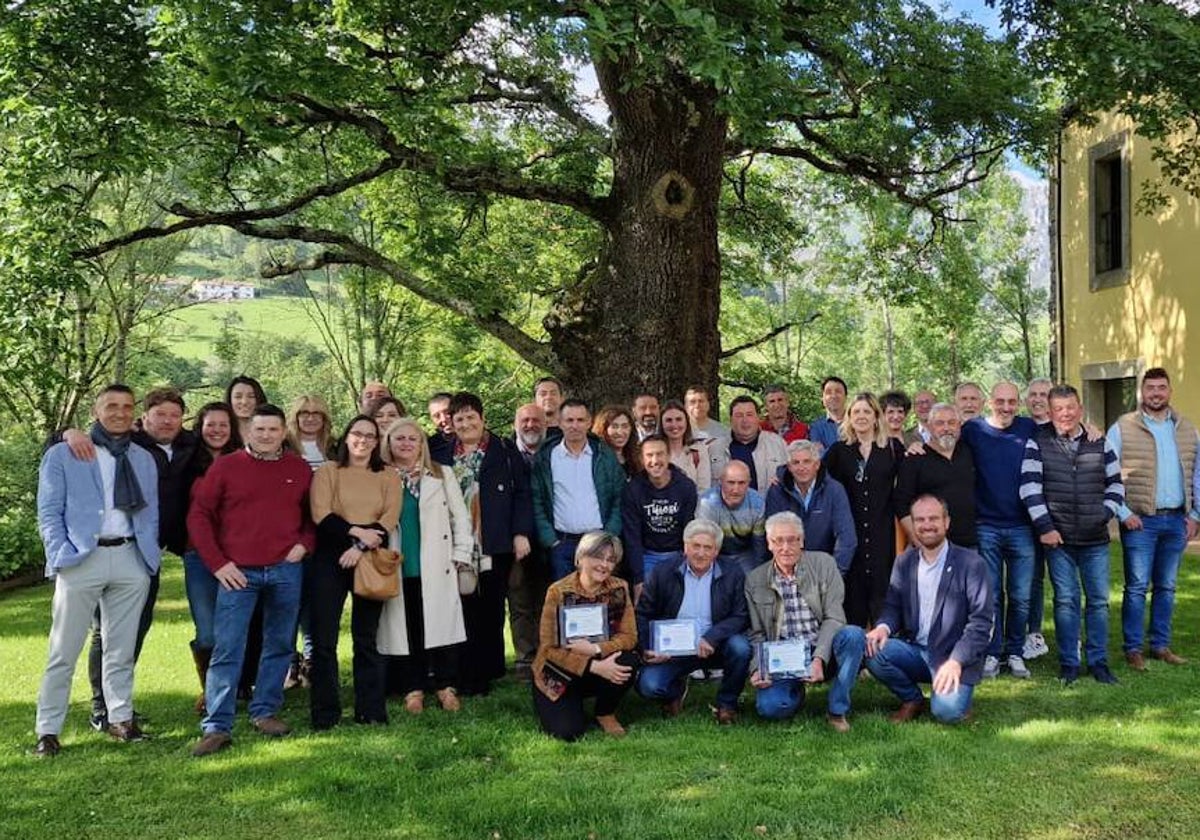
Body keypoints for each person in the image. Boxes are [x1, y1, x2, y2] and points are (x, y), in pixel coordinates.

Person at [34, 384, 161, 757]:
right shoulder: (65, 453)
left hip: (129, 559)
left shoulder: (142, 458)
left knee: (120, 649)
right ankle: (48, 730)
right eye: (111, 406)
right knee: (63, 650)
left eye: (126, 406)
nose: (119, 413)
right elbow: (48, 511)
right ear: (95, 410)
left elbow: (150, 511)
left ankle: (120, 719)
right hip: (80, 558)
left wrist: (146, 558)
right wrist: (60, 553)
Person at [64, 386, 199, 730]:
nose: (167, 421)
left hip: (154, 551)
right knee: (103, 632)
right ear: (145, 417)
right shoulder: (130, 443)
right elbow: (73, 445)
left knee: (133, 628)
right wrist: (66, 432)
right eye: (160, 414)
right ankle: (101, 706)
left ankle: (118, 703)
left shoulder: (191, 445)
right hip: (119, 546)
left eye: (174, 415)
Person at [187, 403, 314, 757]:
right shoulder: (226, 467)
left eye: (274, 430)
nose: (266, 436)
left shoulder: (298, 469)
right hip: (237, 573)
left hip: (286, 569)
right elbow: (199, 516)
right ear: (247, 432)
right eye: (260, 430)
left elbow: (312, 517)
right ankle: (217, 725)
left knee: (278, 643)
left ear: (282, 433)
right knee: (228, 647)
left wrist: (304, 545)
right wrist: (218, 564)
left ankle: (265, 711)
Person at [1020, 385, 1126, 685]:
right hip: (1059, 539)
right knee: (1066, 601)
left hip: (1095, 539)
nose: (1065, 414)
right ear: (1050, 413)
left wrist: (1104, 514)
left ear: (1080, 409)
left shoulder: (1100, 443)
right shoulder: (1037, 443)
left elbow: (1116, 485)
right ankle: (1069, 663)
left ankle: (1098, 662)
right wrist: (1046, 527)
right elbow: (1029, 489)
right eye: (1059, 410)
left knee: (1098, 602)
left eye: (1070, 408)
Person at [307, 416, 402, 729]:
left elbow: (389, 517)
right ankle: (325, 714)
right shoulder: (328, 471)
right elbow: (321, 513)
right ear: (346, 438)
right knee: (323, 640)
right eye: (357, 434)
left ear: (377, 442)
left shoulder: (388, 475)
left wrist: (359, 547)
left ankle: (370, 711)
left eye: (371, 436)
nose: (363, 440)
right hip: (329, 558)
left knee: (366, 638)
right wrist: (355, 535)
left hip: (370, 558)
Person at [865, 495, 992, 724]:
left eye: (933, 518)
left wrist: (956, 661)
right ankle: (912, 699)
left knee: (946, 713)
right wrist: (883, 627)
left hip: (952, 656)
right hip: (916, 651)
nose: (926, 525)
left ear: (947, 522)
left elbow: (981, 624)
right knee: (873, 650)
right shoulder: (904, 562)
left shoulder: (972, 564)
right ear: (912, 524)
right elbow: (893, 606)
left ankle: (951, 697)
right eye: (920, 519)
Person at [377, 417, 473, 714]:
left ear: (422, 444)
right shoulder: (381, 476)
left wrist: (462, 553)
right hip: (397, 564)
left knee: (442, 628)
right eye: (399, 438)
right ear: (388, 443)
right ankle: (413, 688)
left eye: (412, 439)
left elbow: (461, 516)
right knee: (408, 630)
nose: (406, 443)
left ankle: (446, 686)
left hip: (438, 563)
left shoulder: (441, 474)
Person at [1107, 368, 1200, 669]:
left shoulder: (1187, 428)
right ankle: (1133, 648)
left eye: (1161, 387)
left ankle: (1160, 645)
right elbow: (1104, 472)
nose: (1156, 393)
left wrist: (1196, 515)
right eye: (1150, 388)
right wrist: (1123, 512)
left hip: (1176, 521)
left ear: (1169, 391)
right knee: (1136, 587)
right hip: (1140, 522)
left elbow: (1198, 474)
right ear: (1142, 393)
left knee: (1167, 586)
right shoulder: (1123, 427)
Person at [745, 512, 866, 732]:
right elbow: (757, 633)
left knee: (854, 635)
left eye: (792, 540)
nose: (786, 547)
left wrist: (819, 658)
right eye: (778, 541)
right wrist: (758, 668)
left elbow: (835, 617)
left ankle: (837, 709)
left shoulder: (824, 564)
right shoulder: (755, 579)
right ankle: (795, 691)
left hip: (823, 648)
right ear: (769, 544)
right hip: (784, 657)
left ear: (802, 541)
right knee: (770, 708)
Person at [448, 391, 534, 695]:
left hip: (494, 541)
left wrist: (520, 533)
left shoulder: (505, 450)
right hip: (456, 543)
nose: (466, 423)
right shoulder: (443, 453)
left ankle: (489, 670)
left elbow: (523, 493)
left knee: (492, 608)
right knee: (463, 606)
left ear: (482, 419)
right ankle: (464, 670)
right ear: (452, 423)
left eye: (471, 417)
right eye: (459, 418)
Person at [961, 381, 1040, 679]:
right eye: (1000, 401)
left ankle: (1015, 652)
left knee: (1021, 595)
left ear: (1018, 403)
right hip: (987, 526)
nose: (1006, 408)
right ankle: (993, 653)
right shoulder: (974, 431)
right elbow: (942, 440)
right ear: (989, 402)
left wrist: (1092, 429)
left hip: (1022, 526)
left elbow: (1064, 429)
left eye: (1012, 402)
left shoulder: (1028, 428)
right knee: (992, 595)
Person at [635, 519, 751, 724]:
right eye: (695, 546)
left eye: (708, 548)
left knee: (740, 648)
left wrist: (712, 637)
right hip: (673, 650)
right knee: (649, 686)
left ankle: (727, 704)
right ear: (685, 547)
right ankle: (675, 691)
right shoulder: (662, 572)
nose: (701, 553)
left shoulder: (732, 572)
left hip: (715, 644)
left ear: (716, 551)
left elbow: (741, 615)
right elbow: (643, 613)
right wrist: (648, 647)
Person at [532, 532, 638, 740]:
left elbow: (630, 636)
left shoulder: (619, 588)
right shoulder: (558, 591)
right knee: (568, 732)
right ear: (580, 558)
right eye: (598, 557)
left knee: (629, 659)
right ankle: (566, 703)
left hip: (601, 664)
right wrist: (593, 666)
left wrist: (597, 650)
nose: (604, 565)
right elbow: (549, 649)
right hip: (560, 672)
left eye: (610, 560)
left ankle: (605, 712)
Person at [823, 392, 903, 627]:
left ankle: (882, 658)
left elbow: (912, 478)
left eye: (867, 411)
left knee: (883, 600)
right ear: (848, 417)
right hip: (851, 538)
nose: (861, 416)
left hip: (883, 535)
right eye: (856, 411)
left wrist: (918, 447)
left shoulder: (892, 448)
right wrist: (782, 475)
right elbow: (815, 475)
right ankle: (855, 660)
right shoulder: (839, 451)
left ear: (877, 417)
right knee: (853, 603)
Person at [184, 402, 243, 713]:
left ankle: (231, 690)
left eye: (224, 424)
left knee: (233, 629)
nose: (217, 430)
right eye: (211, 424)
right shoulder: (187, 459)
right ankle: (208, 689)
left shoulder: (243, 460)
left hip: (238, 555)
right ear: (200, 427)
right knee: (207, 632)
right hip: (199, 556)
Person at [531, 399, 625, 581]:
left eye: (580, 420)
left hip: (599, 543)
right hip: (562, 544)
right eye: (569, 420)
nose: (575, 426)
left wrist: (609, 535)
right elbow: (536, 501)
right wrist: (551, 540)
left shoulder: (604, 456)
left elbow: (619, 498)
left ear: (589, 423)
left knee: (599, 604)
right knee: (566, 604)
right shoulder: (546, 458)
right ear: (560, 422)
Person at [764, 440, 856, 574]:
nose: (801, 468)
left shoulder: (834, 490)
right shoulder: (777, 491)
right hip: (787, 572)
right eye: (796, 463)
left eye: (807, 461)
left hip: (825, 570)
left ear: (817, 464)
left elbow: (846, 538)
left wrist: (834, 574)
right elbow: (772, 537)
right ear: (789, 466)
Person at [895, 404, 977, 549]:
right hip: (931, 546)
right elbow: (901, 504)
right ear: (929, 427)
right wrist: (917, 541)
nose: (946, 428)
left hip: (969, 545)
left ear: (959, 426)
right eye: (940, 423)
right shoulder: (915, 459)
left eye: (952, 423)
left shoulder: (969, 452)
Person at [621, 434, 698, 587]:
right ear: (642, 459)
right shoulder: (633, 490)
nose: (655, 461)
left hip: (678, 554)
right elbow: (632, 538)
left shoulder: (685, 486)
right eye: (649, 455)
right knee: (647, 600)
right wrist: (638, 580)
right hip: (647, 555)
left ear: (668, 456)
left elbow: (689, 531)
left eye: (660, 454)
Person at [509, 403, 550, 677]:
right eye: (525, 421)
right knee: (520, 598)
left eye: (536, 420)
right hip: (516, 539)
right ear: (515, 424)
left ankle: (549, 653)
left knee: (548, 597)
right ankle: (525, 658)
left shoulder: (554, 453)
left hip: (550, 537)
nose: (530, 425)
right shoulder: (506, 454)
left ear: (546, 424)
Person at [1022, 377, 1054, 660]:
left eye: (1043, 394)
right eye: (1032, 394)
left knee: (1049, 578)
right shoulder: (1021, 426)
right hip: (1025, 515)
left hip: (1057, 515)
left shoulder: (1059, 428)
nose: (1037, 399)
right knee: (1030, 577)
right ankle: (1027, 631)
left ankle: (1036, 632)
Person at [695, 461, 768, 575]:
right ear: (721, 482)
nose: (736, 489)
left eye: (741, 483)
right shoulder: (708, 503)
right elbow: (705, 541)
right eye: (731, 482)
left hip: (744, 553)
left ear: (749, 483)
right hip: (716, 553)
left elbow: (759, 544)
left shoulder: (757, 503)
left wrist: (758, 574)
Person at [710, 396, 788, 494]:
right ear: (731, 419)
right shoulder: (715, 448)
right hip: (726, 508)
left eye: (749, 415)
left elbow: (790, 482)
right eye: (739, 415)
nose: (745, 420)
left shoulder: (777, 444)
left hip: (769, 507)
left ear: (758, 418)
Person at [660, 399, 712, 490]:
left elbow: (704, 489)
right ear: (661, 424)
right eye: (669, 420)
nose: (674, 425)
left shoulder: (699, 452)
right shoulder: (654, 453)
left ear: (686, 422)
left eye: (679, 419)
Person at [287, 394, 334, 471]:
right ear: (296, 417)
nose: (310, 419)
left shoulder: (335, 447)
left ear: (324, 418)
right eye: (305, 413)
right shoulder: (283, 446)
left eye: (316, 413)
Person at [592, 404, 640, 478]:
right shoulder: (596, 459)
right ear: (603, 430)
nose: (620, 432)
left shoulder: (637, 458)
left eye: (625, 426)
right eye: (614, 426)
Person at [808, 376, 847, 455]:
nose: (833, 396)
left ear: (845, 396)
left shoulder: (856, 422)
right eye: (828, 392)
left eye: (838, 391)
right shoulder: (816, 427)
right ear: (822, 398)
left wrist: (829, 451)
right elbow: (819, 456)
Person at [226, 375, 268, 442]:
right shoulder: (221, 433)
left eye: (251, 396)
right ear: (229, 400)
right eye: (238, 397)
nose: (244, 402)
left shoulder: (272, 432)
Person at [427, 392, 455, 466]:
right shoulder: (428, 448)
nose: (443, 419)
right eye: (437, 416)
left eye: (447, 412)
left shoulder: (480, 439)